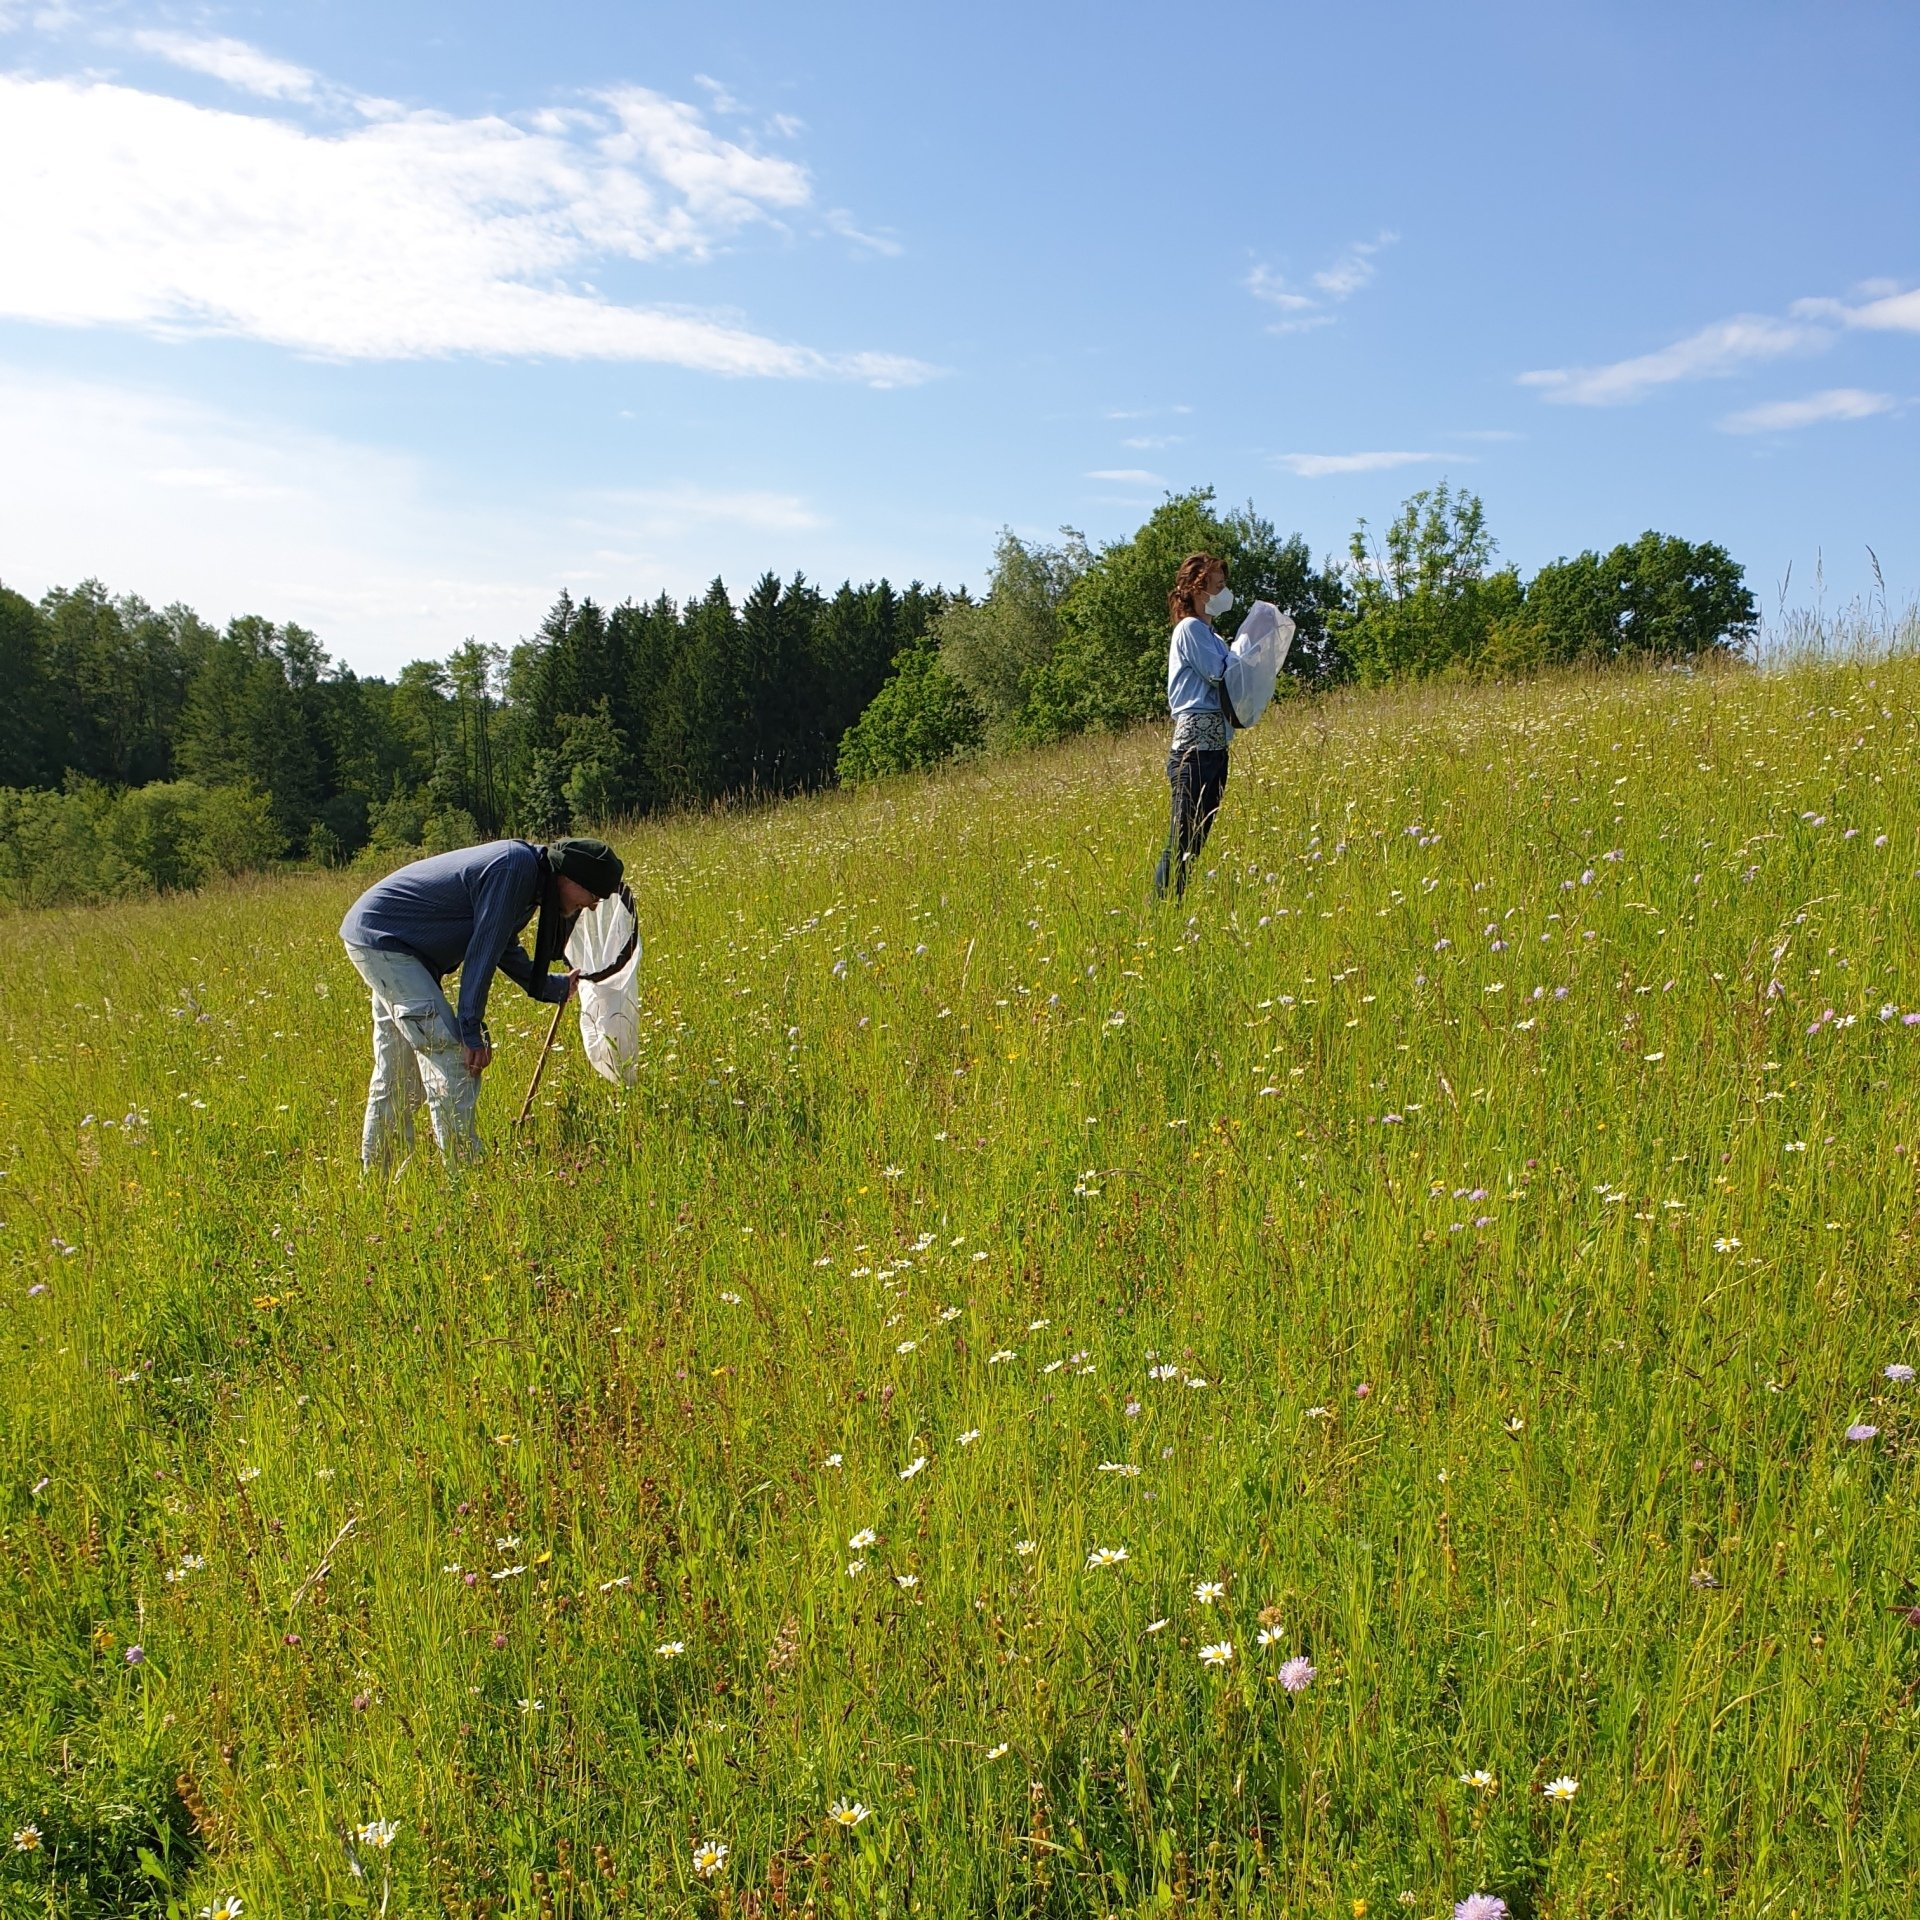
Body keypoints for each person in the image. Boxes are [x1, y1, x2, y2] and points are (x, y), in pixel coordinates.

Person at [338, 836, 623, 1168]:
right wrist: (470, 1029)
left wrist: (551, 986)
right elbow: (483, 951)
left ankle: (378, 1181)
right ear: (570, 879)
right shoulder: (514, 869)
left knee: (398, 1077)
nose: (592, 905)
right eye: (593, 895)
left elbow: (502, 944)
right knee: (456, 1061)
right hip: (389, 944)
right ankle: (465, 1180)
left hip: (382, 939)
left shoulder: (530, 877)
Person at [1153, 552, 1238, 899]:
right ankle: (1161, 911)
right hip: (1194, 753)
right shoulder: (1190, 629)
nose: (1224, 592)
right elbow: (1221, 674)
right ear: (1198, 588)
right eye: (1218, 585)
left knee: (1194, 842)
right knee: (1182, 840)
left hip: (1215, 749)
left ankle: (1175, 903)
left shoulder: (1212, 635)